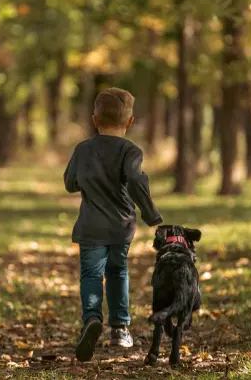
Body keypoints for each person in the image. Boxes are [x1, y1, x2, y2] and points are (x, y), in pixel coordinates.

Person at [63, 87, 163, 362]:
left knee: (91, 275)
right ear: (129, 122)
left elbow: (70, 183)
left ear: (95, 120)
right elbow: (135, 181)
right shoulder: (131, 151)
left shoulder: (83, 149)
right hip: (121, 227)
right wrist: (152, 215)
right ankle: (119, 328)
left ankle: (92, 320)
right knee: (118, 272)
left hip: (91, 227)